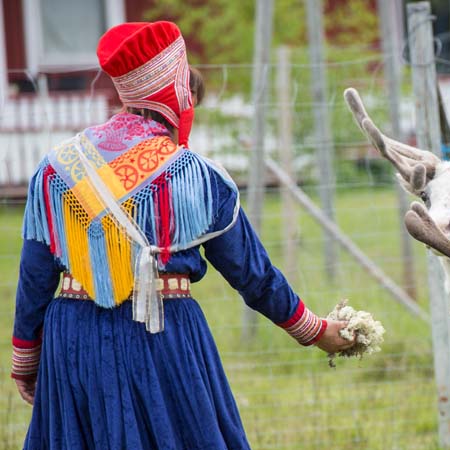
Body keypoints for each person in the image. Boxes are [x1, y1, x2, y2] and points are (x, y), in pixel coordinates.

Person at [11, 21, 353, 449]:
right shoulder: (196, 176)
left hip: (73, 340)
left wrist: (26, 359)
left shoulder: (55, 171)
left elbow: (34, 277)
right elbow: (253, 275)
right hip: (163, 337)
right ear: (174, 91)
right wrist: (314, 329)